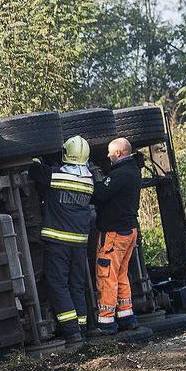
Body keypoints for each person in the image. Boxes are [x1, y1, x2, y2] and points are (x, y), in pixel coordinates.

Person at [32, 136, 96, 346]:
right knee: (76, 285)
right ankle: (82, 327)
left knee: (58, 284)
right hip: (79, 243)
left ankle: (71, 331)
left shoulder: (57, 177)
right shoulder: (89, 181)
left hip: (58, 240)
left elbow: (35, 172)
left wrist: (36, 158)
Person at [92, 137, 143, 334]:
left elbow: (100, 194)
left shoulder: (120, 174)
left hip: (114, 233)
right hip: (129, 230)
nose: (107, 156)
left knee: (106, 275)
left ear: (119, 154)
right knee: (121, 275)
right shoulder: (134, 171)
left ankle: (106, 322)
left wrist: (93, 180)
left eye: (110, 152)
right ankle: (126, 316)